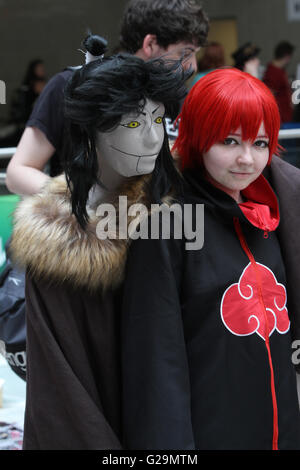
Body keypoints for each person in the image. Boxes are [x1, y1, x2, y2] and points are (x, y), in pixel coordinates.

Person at [10, 35, 190, 449]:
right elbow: (60, 400)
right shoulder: (57, 250)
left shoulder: (177, 218)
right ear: (89, 131)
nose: (150, 138)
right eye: (131, 122)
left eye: (157, 120)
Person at [121, 68, 300, 450]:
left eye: (261, 142)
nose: (248, 159)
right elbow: (156, 363)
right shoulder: (166, 223)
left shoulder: (271, 213)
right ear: (198, 136)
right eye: (230, 140)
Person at [5, 0, 209, 195]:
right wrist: (81, 202)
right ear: (151, 44)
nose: (192, 66)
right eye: (185, 53)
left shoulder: (181, 98)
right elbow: (18, 172)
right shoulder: (72, 86)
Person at [263, 41, 295, 124]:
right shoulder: (272, 72)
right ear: (287, 56)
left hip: (286, 115)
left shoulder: (280, 70)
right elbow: (269, 97)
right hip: (280, 119)